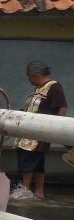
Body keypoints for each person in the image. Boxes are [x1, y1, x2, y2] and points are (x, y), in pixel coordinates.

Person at [15, 60, 67, 200]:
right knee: (38, 163)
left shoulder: (54, 87)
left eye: (29, 77)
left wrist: (56, 128)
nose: (29, 80)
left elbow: (62, 107)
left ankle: (24, 190)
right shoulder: (39, 89)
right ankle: (39, 191)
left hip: (40, 131)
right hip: (31, 130)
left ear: (35, 74)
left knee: (28, 159)